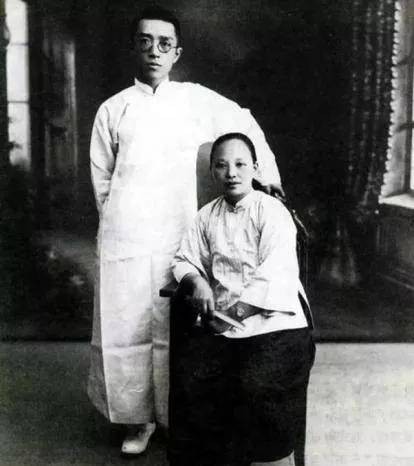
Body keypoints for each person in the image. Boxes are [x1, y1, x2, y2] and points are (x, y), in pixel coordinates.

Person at [88, 6, 282, 456]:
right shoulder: (113, 109)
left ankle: (176, 415)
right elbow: (101, 180)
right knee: (125, 324)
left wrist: (266, 176)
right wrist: (115, 223)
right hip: (125, 235)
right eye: (145, 42)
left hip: (178, 231)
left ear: (177, 52)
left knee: (176, 324)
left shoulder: (194, 100)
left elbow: (242, 122)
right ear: (134, 48)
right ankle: (136, 421)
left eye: (164, 44)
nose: (154, 52)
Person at [169, 132, 315, 466]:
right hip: (224, 325)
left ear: (255, 168)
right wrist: (197, 281)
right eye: (222, 165)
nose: (231, 173)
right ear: (212, 172)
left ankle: (266, 457)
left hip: (276, 323)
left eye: (240, 164)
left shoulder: (272, 211)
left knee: (253, 385)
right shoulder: (207, 215)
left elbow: (275, 273)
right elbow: (184, 258)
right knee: (193, 381)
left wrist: (234, 313)